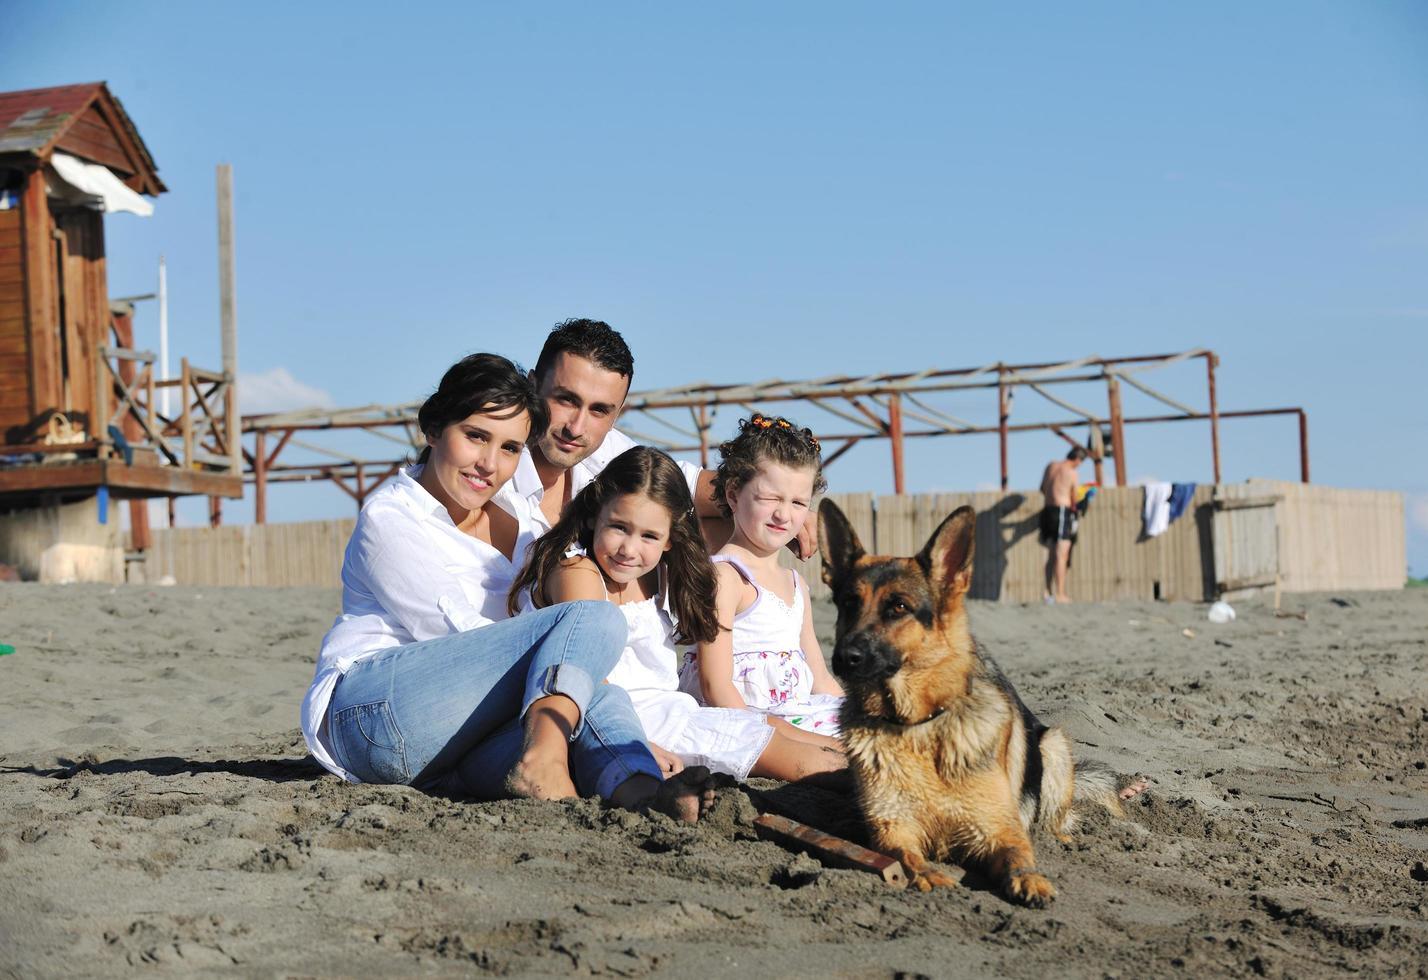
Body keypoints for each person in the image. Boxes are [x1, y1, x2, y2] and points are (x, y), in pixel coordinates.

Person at [299, 353, 715, 822]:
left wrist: (619, 727)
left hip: (453, 745)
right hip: (375, 715)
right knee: (592, 622)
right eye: (476, 436)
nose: (488, 463)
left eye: (511, 448)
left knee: (603, 700)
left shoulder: (519, 520)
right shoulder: (391, 518)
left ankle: (642, 790)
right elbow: (458, 632)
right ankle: (546, 753)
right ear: (434, 429)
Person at [509, 445, 847, 784]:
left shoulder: (659, 574)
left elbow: (734, 533)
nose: (629, 549)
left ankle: (872, 764)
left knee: (780, 730)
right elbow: (586, 674)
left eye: (650, 536)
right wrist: (636, 744)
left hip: (677, 713)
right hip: (627, 726)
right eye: (618, 527)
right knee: (780, 751)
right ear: (595, 515)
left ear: (670, 538)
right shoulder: (579, 572)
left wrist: (785, 513)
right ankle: (864, 778)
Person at [500, 318, 818, 559]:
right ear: (533, 386)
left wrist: (784, 506)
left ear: (617, 414)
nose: (577, 427)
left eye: (599, 410)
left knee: (723, 529)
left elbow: (695, 487)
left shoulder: (609, 454)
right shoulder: (488, 466)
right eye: (566, 400)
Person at [681, 414, 845, 738]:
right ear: (733, 495)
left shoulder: (796, 585)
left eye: (799, 502)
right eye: (770, 498)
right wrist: (766, 739)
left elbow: (820, 677)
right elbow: (715, 685)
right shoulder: (725, 577)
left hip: (793, 713)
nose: (784, 514)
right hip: (744, 721)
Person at [1039, 445, 1088, 604]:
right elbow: (1074, 499)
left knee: (1051, 553)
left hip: (1047, 511)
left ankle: (1047, 592)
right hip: (1062, 512)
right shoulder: (1072, 473)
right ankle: (1060, 594)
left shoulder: (1051, 465)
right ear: (1078, 460)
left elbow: (1042, 488)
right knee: (1062, 554)